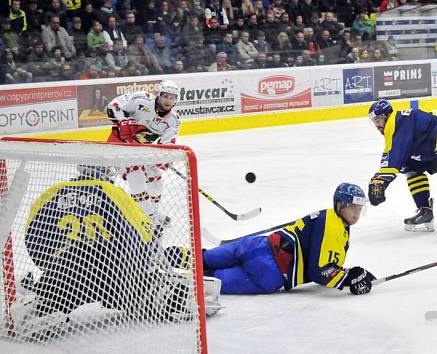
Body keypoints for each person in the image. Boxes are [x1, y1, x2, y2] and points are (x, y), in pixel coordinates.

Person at [11, 165, 221, 341]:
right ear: (105, 173)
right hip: (112, 276)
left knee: (57, 290)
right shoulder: (112, 192)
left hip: (66, 276)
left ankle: (43, 298)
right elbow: (142, 238)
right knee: (161, 297)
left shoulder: (51, 192)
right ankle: (174, 297)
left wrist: (51, 266)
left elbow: (33, 236)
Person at [166, 183, 376, 296]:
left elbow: (322, 265)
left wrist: (349, 275)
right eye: (352, 207)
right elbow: (320, 271)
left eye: (359, 208)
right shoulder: (335, 227)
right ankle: (164, 278)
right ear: (340, 205)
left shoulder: (325, 215)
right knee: (209, 280)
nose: (356, 213)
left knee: (202, 258)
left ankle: (160, 256)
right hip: (270, 273)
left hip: (258, 245)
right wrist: (349, 278)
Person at [367, 99, 437, 242]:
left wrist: (380, 181)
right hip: (433, 146)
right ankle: (425, 212)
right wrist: (380, 178)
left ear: (387, 115)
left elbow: (394, 156)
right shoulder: (397, 124)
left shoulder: (398, 122)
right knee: (409, 167)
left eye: (378, 119)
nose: (377, 125)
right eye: (374, 121)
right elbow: (397, 157)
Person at [105, 80, 180, 225]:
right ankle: (147, 218)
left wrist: (166, 158)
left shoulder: (173, 120)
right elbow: (113, 106)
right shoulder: (141, 99)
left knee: (156, 178)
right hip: (119, 147)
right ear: (158, 95)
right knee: (136, 174)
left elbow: (167, 144)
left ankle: (152, 212)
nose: (168, 100)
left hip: (140, 151)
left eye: (172, 97)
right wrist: (123, 121)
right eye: (166, 96)